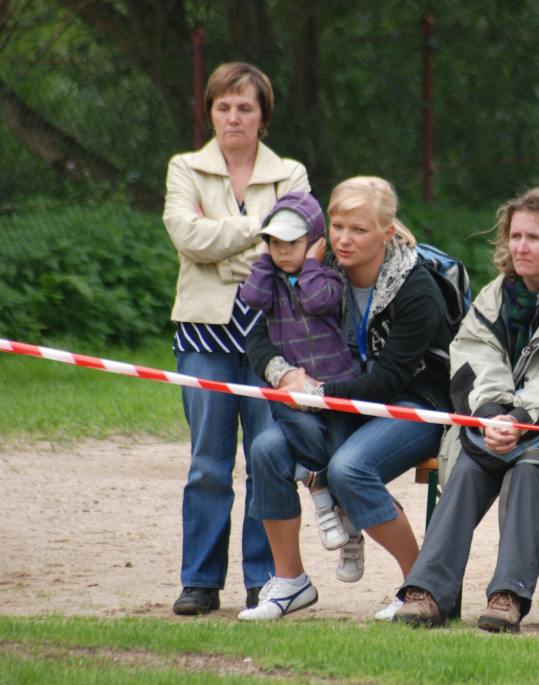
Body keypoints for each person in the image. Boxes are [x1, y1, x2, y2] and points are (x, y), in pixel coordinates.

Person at [393, 187, 539, 632]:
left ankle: (507, 594)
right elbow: (473, 356)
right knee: (472, 466)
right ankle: (428, 591)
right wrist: (493, 414)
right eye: (515, 236)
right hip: (490, 423)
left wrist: (519, 420)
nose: (520, 247)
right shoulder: (494, 296)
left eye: (534, 237)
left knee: (527, 469)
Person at [239, 176, 452, 621]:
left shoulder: (416, 288)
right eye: (337, 226)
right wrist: (283, 374)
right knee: (264, 451)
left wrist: (313, 393)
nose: (343, 239)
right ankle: (291, 581)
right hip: (331, 403)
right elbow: (257, 335)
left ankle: (423, 587)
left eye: (358, 229)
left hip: (411, 404)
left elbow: (388, 382)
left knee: (350, 468)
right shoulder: (314, 271)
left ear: (386, 233)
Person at [162, 62, 309, 615]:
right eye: (223, 106)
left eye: (245, 107)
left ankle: (264, 579)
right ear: (210, 112)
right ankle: (199, 581)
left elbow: (295, 245)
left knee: (267, 454)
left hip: (274, 334)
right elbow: (189, 238)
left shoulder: (290, 172)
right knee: (208, 460)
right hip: (204, 333)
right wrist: (259, 229)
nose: (233, 117)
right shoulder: (185, 168)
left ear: (263, 116)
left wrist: (225, 242)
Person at [239, 191, 357, 553]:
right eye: (274, 242)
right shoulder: (269, 282)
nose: (283, 250)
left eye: (293, 242)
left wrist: (310, 264)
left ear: (315, 243)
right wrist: (263, 259)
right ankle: (321, 495)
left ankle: (351, 525)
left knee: (339, 450)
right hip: (292, 389)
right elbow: (251, 297)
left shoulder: (330, 278)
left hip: (335, 384)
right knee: (300, 429)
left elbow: (316, 300)